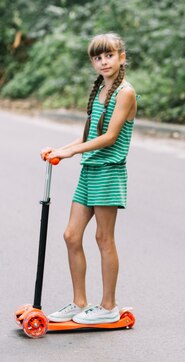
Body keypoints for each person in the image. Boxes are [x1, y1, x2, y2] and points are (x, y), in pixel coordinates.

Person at [40, 33, 137, 325]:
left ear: (121, 57)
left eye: (109, 55)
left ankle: (108, 306)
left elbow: (109, 138)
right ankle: (80, 301)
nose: (103, 61)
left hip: (109, 170)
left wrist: (71, 153)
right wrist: (62, 149)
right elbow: (89, 134)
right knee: (71, 235)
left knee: (103, 238)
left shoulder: (125, 93)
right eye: (97, 57)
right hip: (90, 170)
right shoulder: (99, 91)